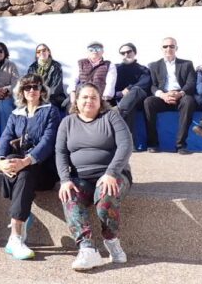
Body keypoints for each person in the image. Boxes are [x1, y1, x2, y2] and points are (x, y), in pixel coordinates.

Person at [57, 83, 132, 271]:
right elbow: (60, 153)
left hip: (112, 175)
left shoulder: (111, 117)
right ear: (77, 101)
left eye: (93, 97)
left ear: (100, 102)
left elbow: (126, 145)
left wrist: (111, 173)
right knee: (69, 196)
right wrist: (65, 180)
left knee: (106, 194)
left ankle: (112, 241)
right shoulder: (67, 122)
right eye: (84, 97)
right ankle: (87, 250)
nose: (89, 101)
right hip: (80, 178)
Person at [0, 74, 60, 260]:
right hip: (22, 169)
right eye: (27, 87)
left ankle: (15, 236)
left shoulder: (50, 111)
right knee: (15, 163)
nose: (32, 90)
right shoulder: (16, 114)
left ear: (42, 90)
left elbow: (48, 142)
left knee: (23, 170)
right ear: (22, 91)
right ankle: (19, 226)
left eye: (36, 86)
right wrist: (0, 160)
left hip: (45, 168)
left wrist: (26, 161)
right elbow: (5, 138)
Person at [143, 37, 196, 154]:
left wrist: (180, 93)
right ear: (161, 49)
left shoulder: (187, 64)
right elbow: (152, 85)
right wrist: (162, 95)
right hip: (163, 97)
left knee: (189, 101)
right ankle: (153, 144)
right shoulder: (154, 65)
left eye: (172, 46)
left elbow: (191, 83)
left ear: (176, 48)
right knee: (148, 102)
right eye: (165, 46)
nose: (168, 49)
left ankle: (181, 145)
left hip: (181, 95)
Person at [111, 43, 151, 147]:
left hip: (138, 99)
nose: (126, 54)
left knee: (135, 91)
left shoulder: (143, 69)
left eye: (129, 52)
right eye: (123, 53)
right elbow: (110, 87)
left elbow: (145, 83)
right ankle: (129, 144)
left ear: (135, 53)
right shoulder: (115, 69)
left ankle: (117, 113)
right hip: (121, 100)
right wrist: (120, 93)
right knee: (128, 106)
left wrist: (129, 89)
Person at [27, 43, 67, 111]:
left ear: (48, 52)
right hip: (36, 96)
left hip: (53, 98)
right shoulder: (32, 68)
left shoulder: (56, 66)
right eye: (38, 51)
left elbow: (56, 87)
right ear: (37, 55)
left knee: (45, 108)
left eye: (44, 50)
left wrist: (43, 96)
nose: (41, 52)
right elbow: (29, 84)